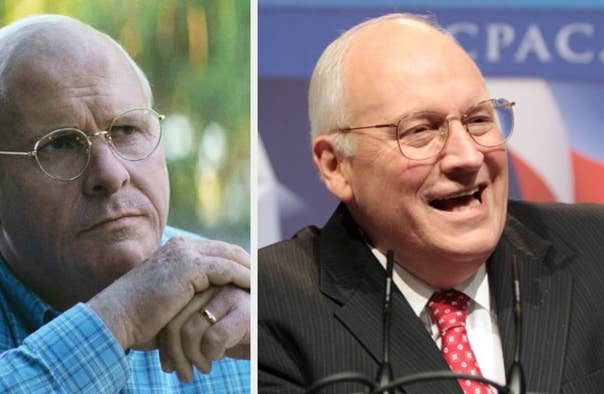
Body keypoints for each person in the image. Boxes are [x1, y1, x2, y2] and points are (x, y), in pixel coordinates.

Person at [258, 13, 604, 394]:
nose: (468, 156)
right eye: (420, 130)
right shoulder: (269, 306)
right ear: (336, 165)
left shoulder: (594, 249)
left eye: (478, 120)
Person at [0, 15, 250, 392]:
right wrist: (120, 316)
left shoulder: (231, 297)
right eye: (58, 144)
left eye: (126, 130)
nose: (111, 174)